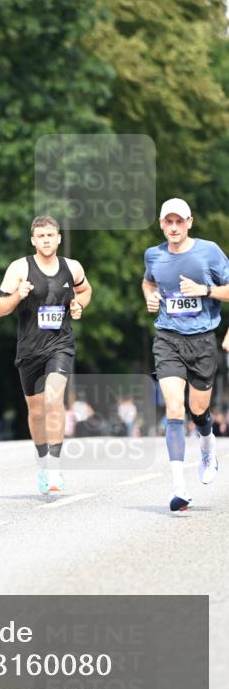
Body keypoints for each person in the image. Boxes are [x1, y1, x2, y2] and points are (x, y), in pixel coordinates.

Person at [0, 215, 92, 494]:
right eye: (41, 236)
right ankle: (42, 462)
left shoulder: (71, 267)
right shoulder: (19, 269)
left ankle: (55, 468)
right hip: (29, 350)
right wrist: (18, 296)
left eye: (51, 235)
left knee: (53, 399)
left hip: (60, 345)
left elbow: (86, 290)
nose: (46, 240)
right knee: (36, 411)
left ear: (59, 238)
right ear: (33, 240)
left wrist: (79, 305)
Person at [142, 198, 229, 511]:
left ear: (189, 222)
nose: (174, 227)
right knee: (174, 408)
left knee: (198, 410)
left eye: (180, 222)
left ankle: (207, 445)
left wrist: (204, 291)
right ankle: (179, 486)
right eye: (169, 222)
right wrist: (151, 297)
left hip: (203, 340)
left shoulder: (209, 252)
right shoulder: (154, 254)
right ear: (162, 224)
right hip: (168, 339)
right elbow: (148, 281)